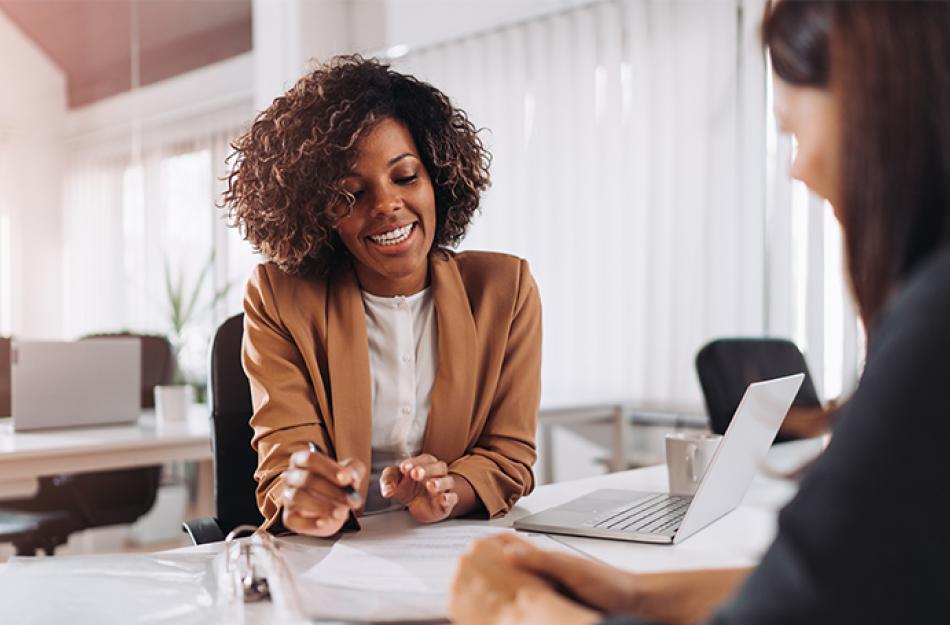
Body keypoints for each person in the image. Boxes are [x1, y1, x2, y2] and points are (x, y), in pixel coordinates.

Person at [449, 2, 950, 624]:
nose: (798, 168)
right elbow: (846, 587)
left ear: (883, 106)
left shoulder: (934, 326)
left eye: (794, 130)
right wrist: (633, 595)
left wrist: (514, 610)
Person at [223, 55, 541, 537]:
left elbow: (508, 455)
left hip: (449, 550)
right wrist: (305, 497)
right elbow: (285, 461)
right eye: (351, 194)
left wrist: (450, 492)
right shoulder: (279, 296)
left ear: (437, 176)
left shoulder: (504, 289)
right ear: (318, 213)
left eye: (405, 176)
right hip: (329, 561)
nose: (387, 206)